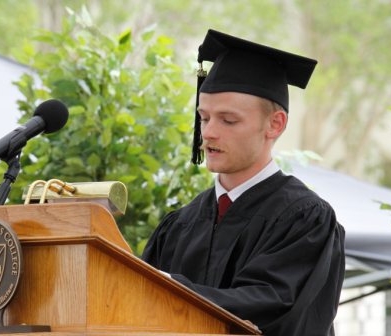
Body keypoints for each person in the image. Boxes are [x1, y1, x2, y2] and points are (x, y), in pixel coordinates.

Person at [141, 30, 345, 336]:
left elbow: (272, 311)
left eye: (228, 120)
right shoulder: (180, 224)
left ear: (274, 124)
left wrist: (167, 287)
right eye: (204, 117)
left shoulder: (305, 219)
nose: (208, 133)